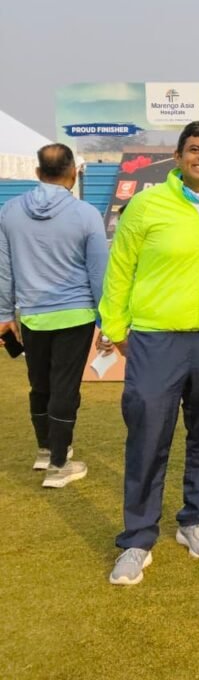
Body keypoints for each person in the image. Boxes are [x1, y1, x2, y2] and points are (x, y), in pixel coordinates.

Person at [99, 121, 199, 586]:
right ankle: (138, 539)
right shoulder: (146, 205)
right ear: (179, 157)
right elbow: (119, 268)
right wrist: (115, 327)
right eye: (195, 149)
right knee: (147, 438)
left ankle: (194, 518)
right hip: (156, 338)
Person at [0, 143, 106, 487]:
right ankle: (59, 465)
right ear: (73, 173)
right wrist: (107, 319)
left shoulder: (10, 211)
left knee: (40, 384)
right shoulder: (86, 214)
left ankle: (47, 450)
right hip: (75, 314)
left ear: (37, 172)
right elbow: (98, 273)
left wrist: (4, 314)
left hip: (33, 314)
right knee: (64, 388)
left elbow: (4, 269)